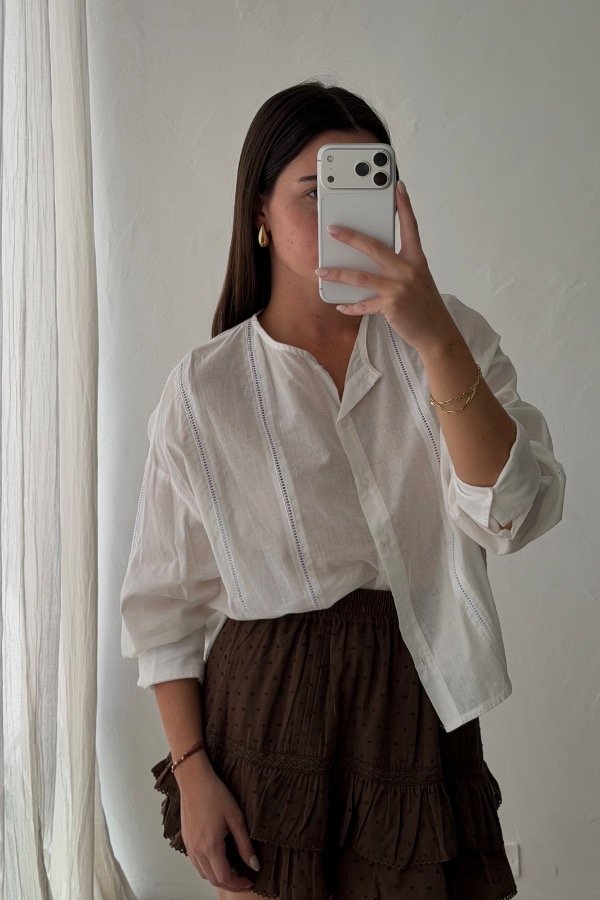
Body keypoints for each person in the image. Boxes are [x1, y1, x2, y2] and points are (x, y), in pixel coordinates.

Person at [120, 80, 566, 900]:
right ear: (259, 209)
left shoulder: (452, 337)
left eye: (363, 183)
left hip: (415, 709)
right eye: (314, 189)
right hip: (265, 717)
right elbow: (163, 610)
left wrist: (432, 338)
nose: (340, 212)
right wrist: (192, 771)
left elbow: (513, 513)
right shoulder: (205, 390)